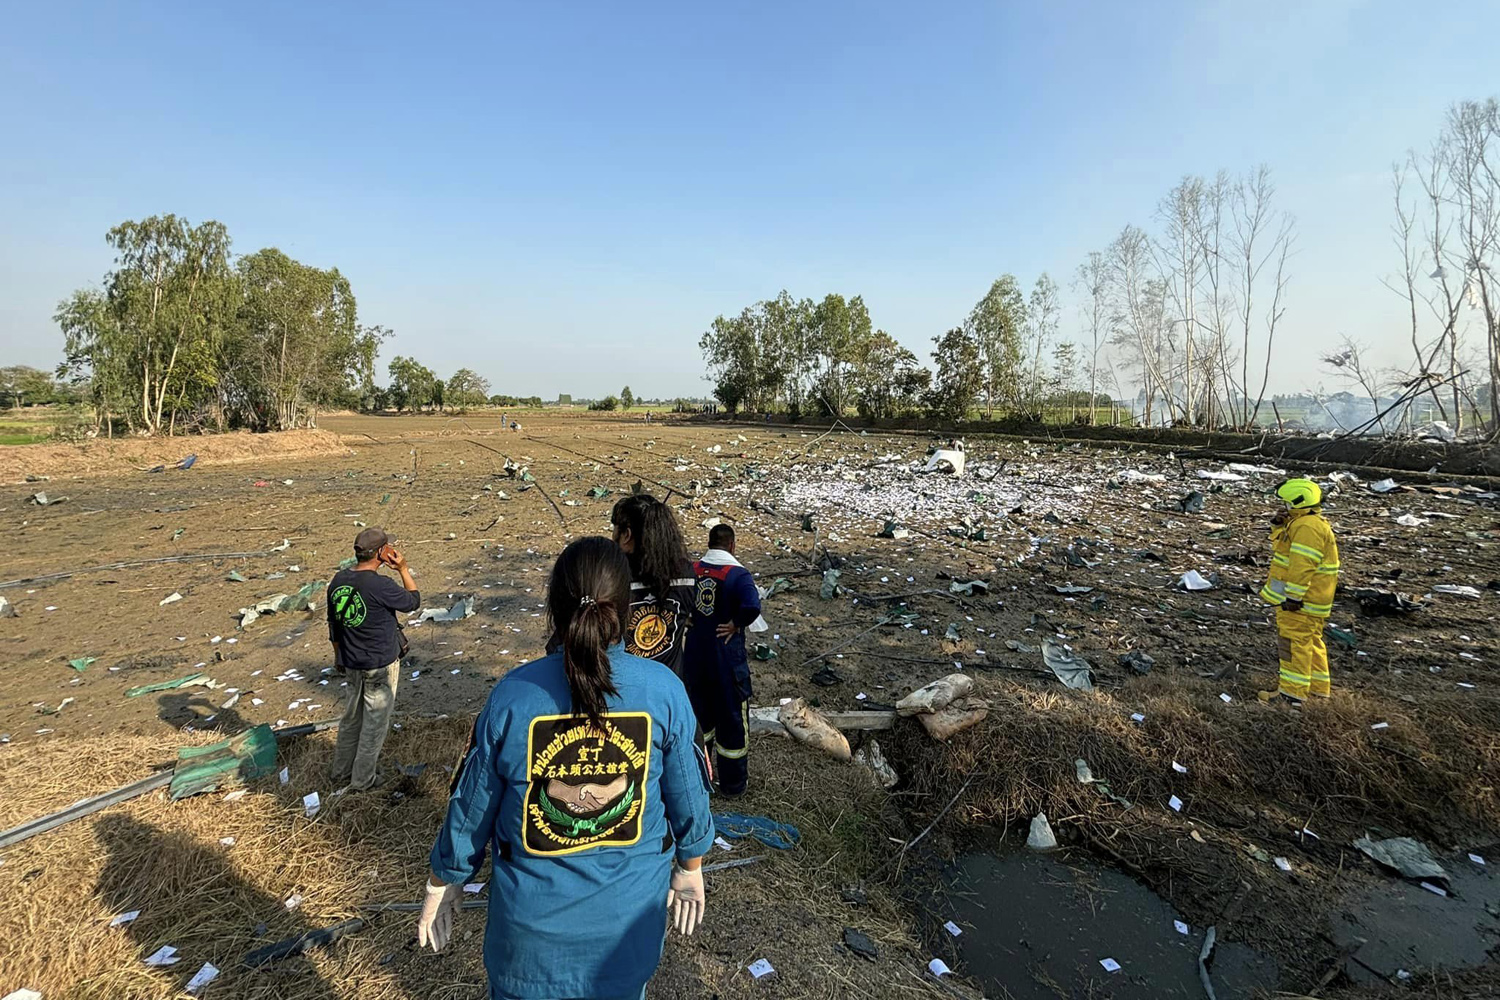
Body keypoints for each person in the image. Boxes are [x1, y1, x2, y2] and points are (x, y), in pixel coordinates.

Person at [417, 537, 714, 1000]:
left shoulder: (513, 696)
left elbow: (471, 809)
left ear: (553, 609)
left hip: (528, 946)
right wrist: (690, 864)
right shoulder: (665, 691)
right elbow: (689, 798)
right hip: (626, 939)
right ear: (627, 608)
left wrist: (446, 878)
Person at [326, 527, 420, 790]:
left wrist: (338, 658)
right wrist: (403, 568)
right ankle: (363, 781)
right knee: (374, 724)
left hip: (350, 661)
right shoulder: (380, 585)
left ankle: (340, 772)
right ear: (381, 552)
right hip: (379, 664)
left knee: (351, 719)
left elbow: (333, 624)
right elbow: (413, 601)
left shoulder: (338, 581)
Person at [686, 523, 762, 795]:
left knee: (699, 720)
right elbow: (752, 606)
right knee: (732, 723)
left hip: (695, 659)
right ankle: (733, 786)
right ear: (732, 545)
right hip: (727, 663)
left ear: (709, 543)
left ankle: (701, 779)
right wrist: (735, 623)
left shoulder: (692, 571)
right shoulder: (738, 575)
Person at [1258, 478, 1341, 706]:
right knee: (1311, 643)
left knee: (1293, 645)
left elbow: (1302, 565)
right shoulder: (1305, 523)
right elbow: (1285, 548)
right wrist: (1278, 525)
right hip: (1314, 601)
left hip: (1300, 603)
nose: (1283, 506)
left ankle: (1291, 695)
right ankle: (1316, 691)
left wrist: (1293, 597)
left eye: (1286, 503)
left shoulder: (1306, 528)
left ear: (1298, 501)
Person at [607, 494, 697, 680]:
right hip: (669, 688)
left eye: (615, 528)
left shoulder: (612, 576)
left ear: (627, 535)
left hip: (625, 690)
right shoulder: (685, 573)